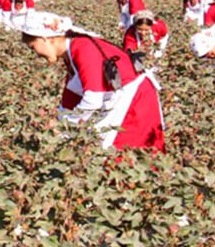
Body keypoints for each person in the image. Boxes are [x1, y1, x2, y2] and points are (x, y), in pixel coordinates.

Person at [20, 11, 165, 152]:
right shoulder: (71, 52)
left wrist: (65, 125)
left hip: (137, 100)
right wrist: (59, 118)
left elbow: (93, 98)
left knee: (126, 151)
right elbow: (71, 95)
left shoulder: (83, 47)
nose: (36, 54)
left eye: (33, 47)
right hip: (122, 98)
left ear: (45, 38)